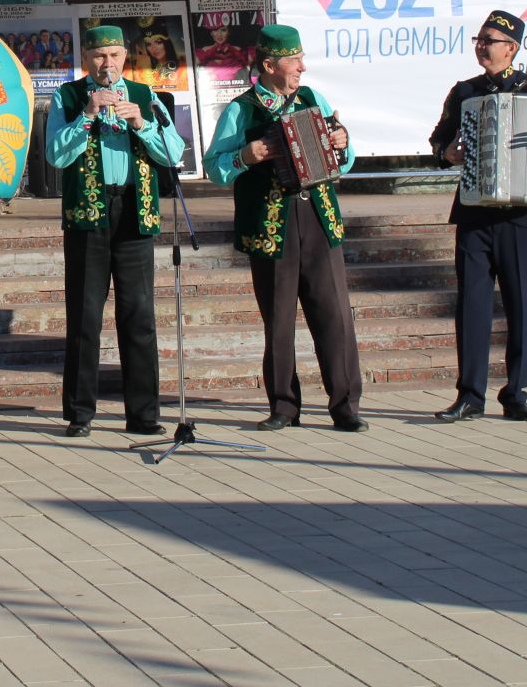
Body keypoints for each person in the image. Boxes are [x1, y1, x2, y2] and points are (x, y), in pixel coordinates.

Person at [202, 25, 367, 433]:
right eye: (295, 61)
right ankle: (284, 405)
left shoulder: (313, 99)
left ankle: (345, 404)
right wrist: (245, 155)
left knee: (334, 315)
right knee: (278, 319)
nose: (302, 68)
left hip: (319, 217)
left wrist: (343, 143)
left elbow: (343, 160)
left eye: (301, 59)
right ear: (270, 64)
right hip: (270, 226)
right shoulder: (242, 109)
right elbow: (214, 167)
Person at [427, 10, 527, 423]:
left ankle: (516, 392)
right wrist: (446, 152)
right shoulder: (465, 91)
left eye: (490, 40)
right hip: (473, 212)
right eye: (479, 39)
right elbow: (439, 138)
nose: (482, 46)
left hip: (520, 214)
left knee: (521, 303)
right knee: (471, 303)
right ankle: (470, 394)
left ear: (512, 48)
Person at [45, 24, 185, 438]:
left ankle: (143, 414)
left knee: (139, 316)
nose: (108, 65)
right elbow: (55, 155)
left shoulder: (146, 96)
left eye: (115, 56)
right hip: (88, 214)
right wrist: (87, 115)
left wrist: (141, 123)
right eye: (99, 57)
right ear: (86, 58)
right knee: (85, 317)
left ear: (127, 56)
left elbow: (174, 152)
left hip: (134, 211)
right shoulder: (67, 96)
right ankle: (79, 414)